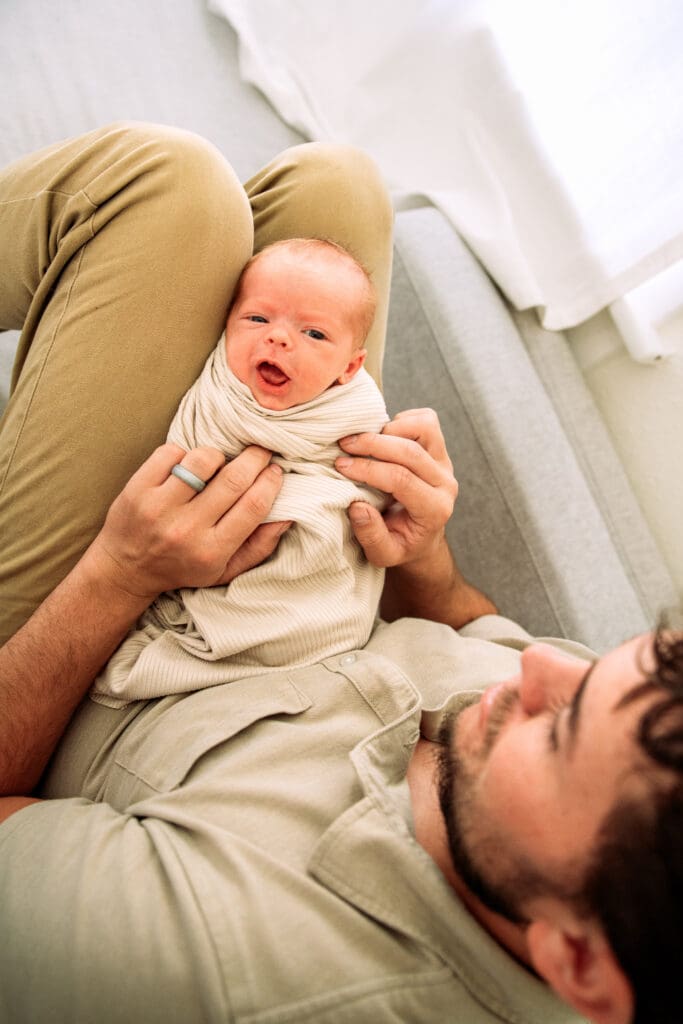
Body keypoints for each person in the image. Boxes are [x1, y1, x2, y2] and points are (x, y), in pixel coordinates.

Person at [0, 123, 681, 1024]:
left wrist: (121, 574)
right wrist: (424, 561)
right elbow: (479, 630)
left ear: (577, 963)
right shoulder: (605, 743)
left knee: (164, 186)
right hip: (295, 563)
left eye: (558, 730)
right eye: (607, 666)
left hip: (87, 646)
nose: (546, 668)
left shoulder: (224, 957)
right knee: (339, 189)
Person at [91, 237, 390, 706]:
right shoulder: (217, 388)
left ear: (349, 368)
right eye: (257, 318)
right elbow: (190, 444)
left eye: (314, 334)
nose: (279, 338)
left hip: (307, 563)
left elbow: (366, 484)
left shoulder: (354, 413)